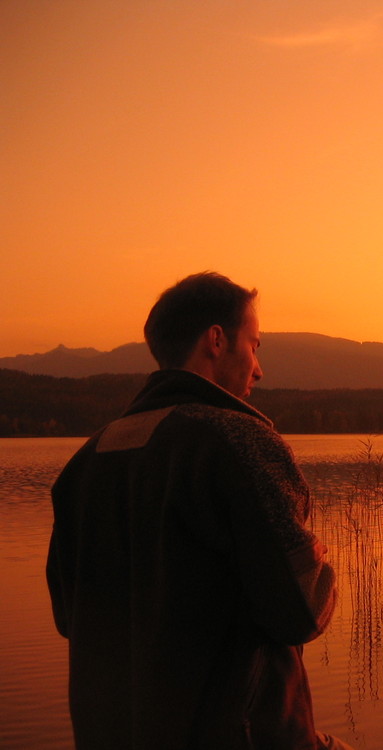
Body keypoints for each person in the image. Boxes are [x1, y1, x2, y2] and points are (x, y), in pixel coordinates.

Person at [46, 272, 353, 750]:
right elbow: (301, 610)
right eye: (254, 346)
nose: (259, 369)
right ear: (216, 340)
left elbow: (70, 618)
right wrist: (320, 558)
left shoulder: (85, 462)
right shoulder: (237, 440)